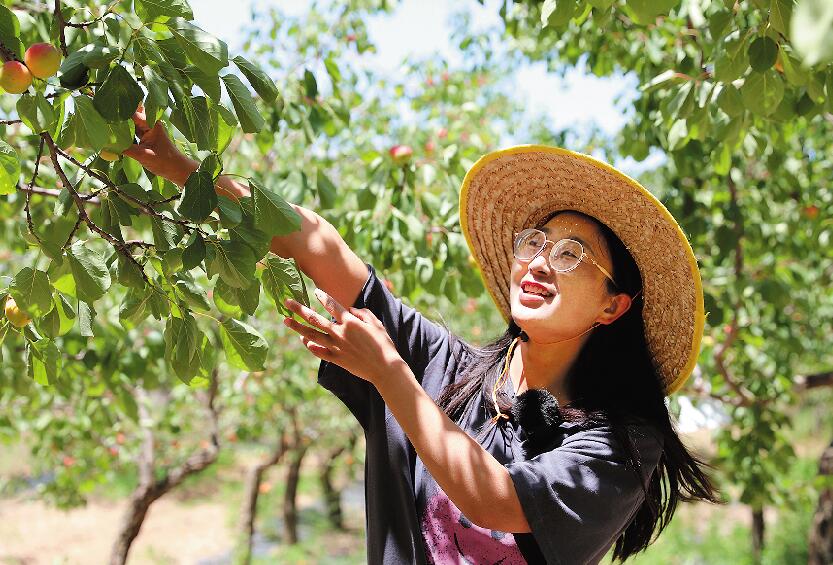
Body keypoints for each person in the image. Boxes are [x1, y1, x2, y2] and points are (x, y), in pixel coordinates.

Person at [126, 118, 719, 563]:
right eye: (533, 242)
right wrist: (184, 169)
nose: (539, 262)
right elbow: (318, 246)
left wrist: (389, 375)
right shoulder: (452, 372)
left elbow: (499, 500)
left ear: (613, 305)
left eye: (571, 254)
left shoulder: (619, 444)